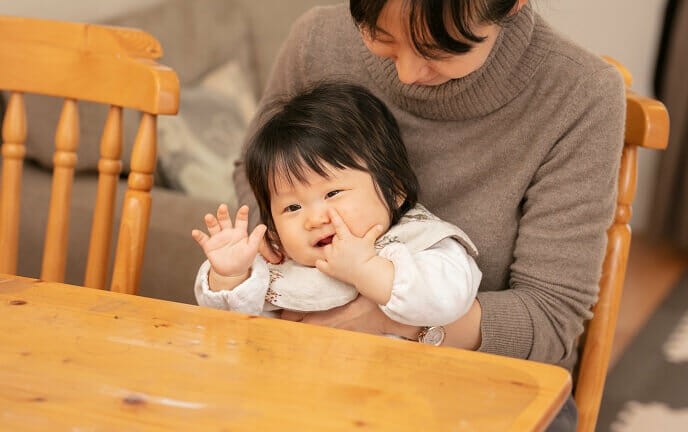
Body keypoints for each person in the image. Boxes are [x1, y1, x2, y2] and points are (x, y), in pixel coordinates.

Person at [231, 1, 627, 430]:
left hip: (487, 385)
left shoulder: (581, 94)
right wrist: (275, 252)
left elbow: (550, 318)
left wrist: (386, 318)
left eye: (439, 50)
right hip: (312, 365)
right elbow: (255, 180)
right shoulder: (318, 41)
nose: (407, 74)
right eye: (381, 37)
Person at [193, 83, 482, 332]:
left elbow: (450, 298)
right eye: (292, 207)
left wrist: (367, 270)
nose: (314, 219)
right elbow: (229, 322)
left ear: (394, 190)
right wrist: (230, 276)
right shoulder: (279, 260)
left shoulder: (418, 241)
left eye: (332, 193)